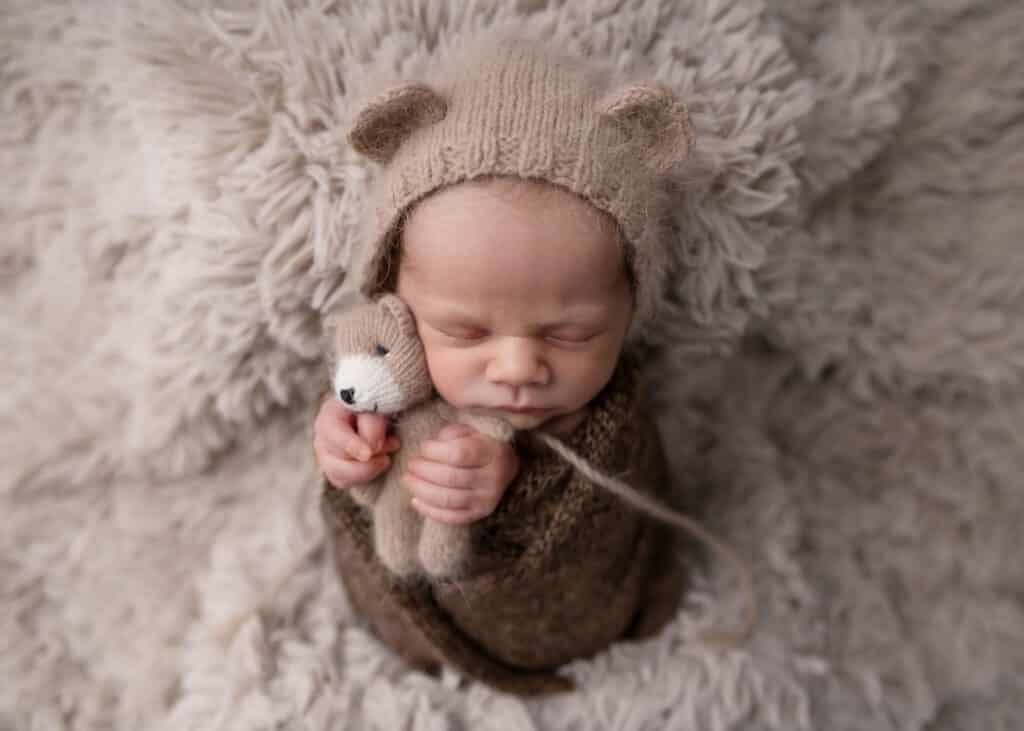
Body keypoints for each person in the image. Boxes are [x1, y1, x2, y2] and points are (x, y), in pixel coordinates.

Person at [314, 32, 698, 695]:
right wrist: (346, 444)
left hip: (564, 642)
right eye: (463, 329)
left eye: (572, 333)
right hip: (391, 639)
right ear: (393, 301)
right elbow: (359, 437)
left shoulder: (612, 421)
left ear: (628, 311)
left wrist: (514, 483)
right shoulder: (395, 376)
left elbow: (614, 523)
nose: (519, 366)